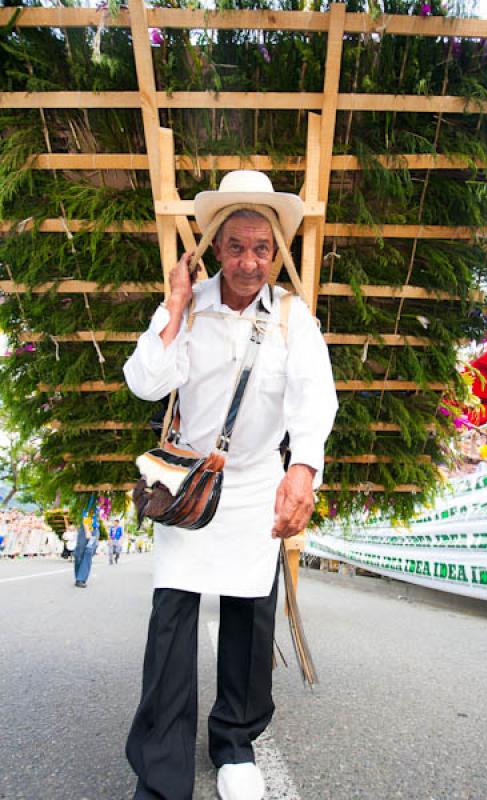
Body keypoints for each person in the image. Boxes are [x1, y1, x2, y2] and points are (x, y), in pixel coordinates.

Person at [123, 170, 338, 800]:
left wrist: (303, 469)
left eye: (262, 249)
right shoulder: (189, 307)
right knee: (173, 617)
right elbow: (146, 380)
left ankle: (236, 744)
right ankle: (161, 767)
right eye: (237, 247)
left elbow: (313, 401)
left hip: (254, 485)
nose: (249, 261)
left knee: (250, 615)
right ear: (218, 249)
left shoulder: (296, 320)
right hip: (190, 485)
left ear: (277, 253)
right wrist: (177, 303)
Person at [73, 514, 99, 588]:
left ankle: (81, 579)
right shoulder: (89, 502)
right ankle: (78, 576)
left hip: (94, 531)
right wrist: (87, 530)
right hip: (84, 530)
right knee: (79, 554)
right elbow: (85, 513)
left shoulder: (103, 504)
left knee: (88, 552)